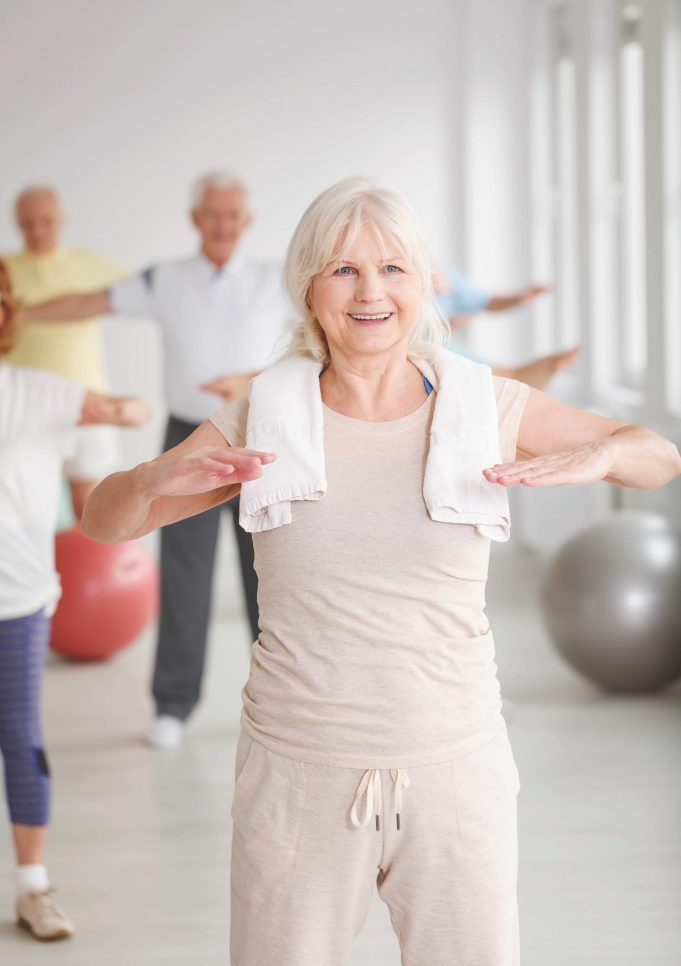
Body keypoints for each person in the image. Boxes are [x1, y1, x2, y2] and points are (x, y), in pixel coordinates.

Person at [80, 179, 680, 966]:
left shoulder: (481, 403)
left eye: (393, 269)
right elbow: (102, 520)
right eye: (343, 270)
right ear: (306, 287)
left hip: (455, 770)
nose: (371, 293)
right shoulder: (265, 413)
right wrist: (153, 482)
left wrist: (597, 453)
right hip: (296, 776)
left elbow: (657, 455)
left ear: (426, 281)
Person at [27, 173, 293, 750]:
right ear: (195, 218)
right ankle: (173, 705)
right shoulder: (164, 279)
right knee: (184, 575)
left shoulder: (279, 279)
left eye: (233, 214)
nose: (222, 223)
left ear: (246, 221)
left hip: (263, 435)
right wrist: (17, 313)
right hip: (190, 434)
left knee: (270, 576)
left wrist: (248, 380)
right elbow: (89, 302)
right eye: (212, 214)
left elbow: (320, 342)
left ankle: (281, 703)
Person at [0, 260, 149, 942]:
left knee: (21, 737)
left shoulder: (40, 391)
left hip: (19, 603)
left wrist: (127, 410)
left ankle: (34, 889)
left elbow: (121, 411)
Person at [2, 186, 128, 519]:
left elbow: (142, 294)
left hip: (87, 404)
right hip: (22, 409)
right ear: (17, 224)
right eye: (28, 223)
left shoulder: (87, 264)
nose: (38, 231)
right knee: (25, 507)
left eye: (46, 221)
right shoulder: (5, 270)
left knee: (89, 506)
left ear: (62, 219)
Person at [433, 263, 581, 389]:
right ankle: (514, 379)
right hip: (427, 341)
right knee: (435, 345)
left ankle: (514, 380)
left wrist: (518, 299)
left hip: (436, 338)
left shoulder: (442, 273)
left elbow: (485, 301)